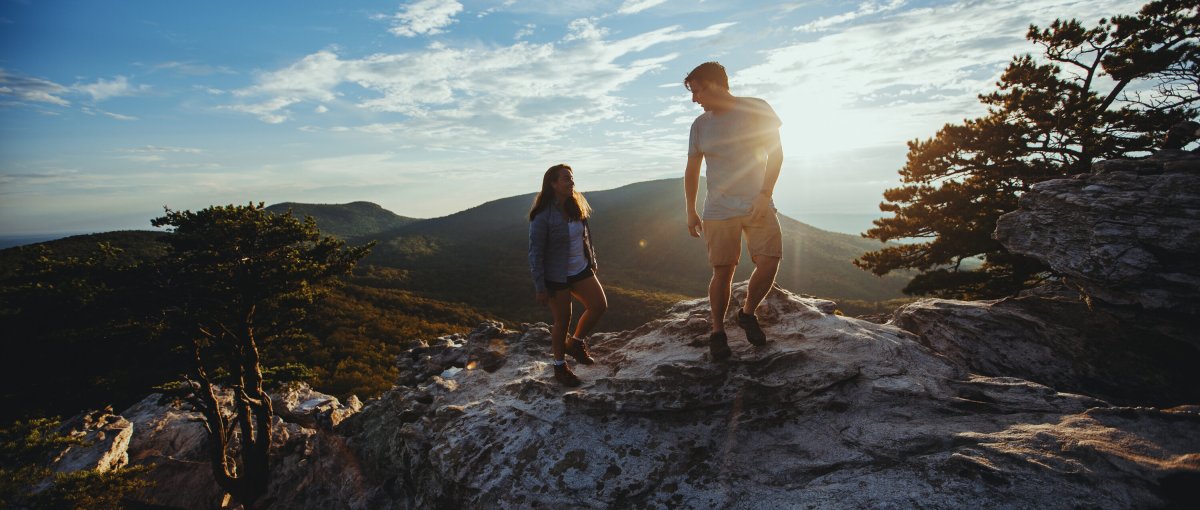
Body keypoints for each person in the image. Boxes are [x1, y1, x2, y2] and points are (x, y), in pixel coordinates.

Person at [682, 61, 784, 361]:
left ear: (714, 85)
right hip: (718, 209)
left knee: (769, 261)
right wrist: (690, 209)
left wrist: (765, 194)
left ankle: (747, 312)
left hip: (757, 202)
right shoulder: (700, 126)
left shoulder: (757, 108)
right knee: (722, 271)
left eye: (697, 91)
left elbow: (776, 154)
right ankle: (717, 332)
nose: (694, 99)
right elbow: (691, 170)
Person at [528, 164, 608, 386]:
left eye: (572, 178)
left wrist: (591, 261)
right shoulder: (542, 216)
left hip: (580, 269)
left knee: (599, 305)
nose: (571, 182)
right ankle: (559, 366)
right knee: (562, 321)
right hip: (556, 277)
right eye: (566, 179)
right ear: (553, 183)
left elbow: (585, 237)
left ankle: (575, 342)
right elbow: (535, 253)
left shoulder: (576, 205)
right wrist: (540, 286)